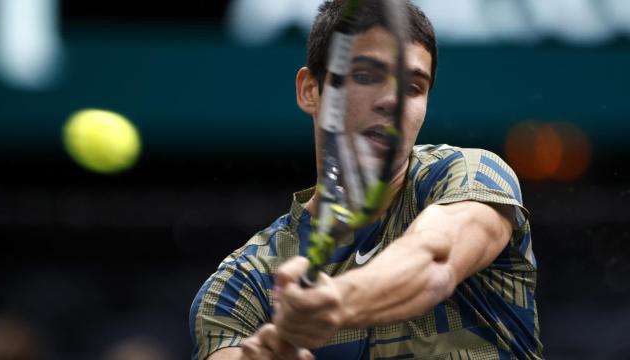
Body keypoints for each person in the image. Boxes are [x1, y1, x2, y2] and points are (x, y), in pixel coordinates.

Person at [190, 1, 543, 359]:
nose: (392, 101)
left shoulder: (470, 174)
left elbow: (434, 263)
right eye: (365, 75)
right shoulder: (242, 284)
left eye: (414, 87)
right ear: (310, 90)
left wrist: (337, 303)